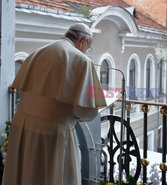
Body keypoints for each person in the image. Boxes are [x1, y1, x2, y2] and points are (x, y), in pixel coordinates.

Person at [2, 23, 106, 185]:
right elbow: (86, 110)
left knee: (25, 175)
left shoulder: (37, 53)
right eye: (88, 46)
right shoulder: (82, 61)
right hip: (53, 132)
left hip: (23, 126)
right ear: (83, 41)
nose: (87, 50)